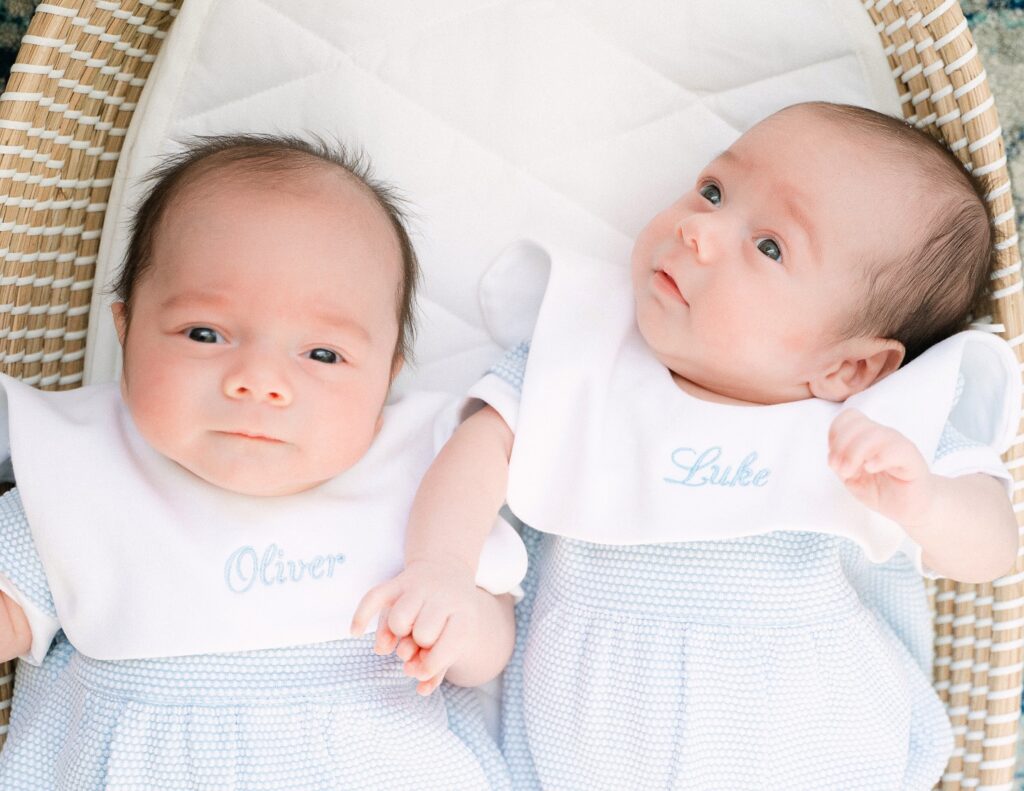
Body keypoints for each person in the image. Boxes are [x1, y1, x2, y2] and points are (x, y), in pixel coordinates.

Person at [352, 102, 1021, 789]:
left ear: (849, 367)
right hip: (595, 738)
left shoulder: (877, 423)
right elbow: (480, 446)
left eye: (769, 246)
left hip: (813, 734)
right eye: (712, 191)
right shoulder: (591, 356)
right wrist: (440, 565)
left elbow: (994, 547)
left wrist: (928, 501)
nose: (698, 229)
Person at [0, 134, 522, 790]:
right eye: (205, 334)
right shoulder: (84, 463)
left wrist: (458, 621)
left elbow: (492, 645)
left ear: (386, 377)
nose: (259, 381)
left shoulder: (421, 471)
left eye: (322, 355)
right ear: (125, 329)